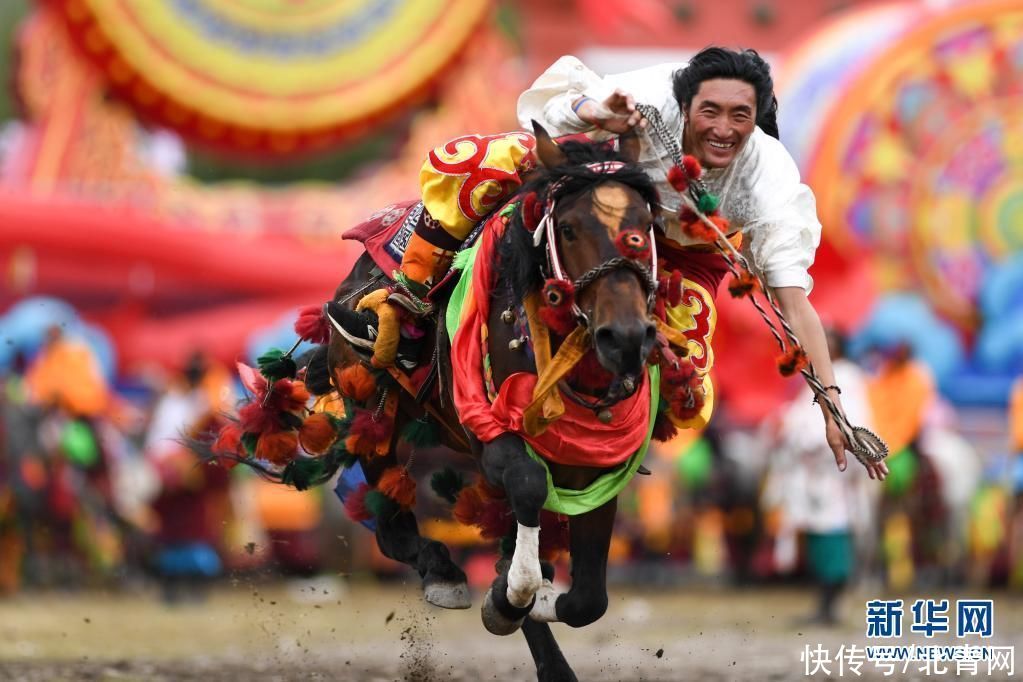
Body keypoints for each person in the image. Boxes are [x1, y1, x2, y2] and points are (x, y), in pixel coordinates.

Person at [331, 47, 887, 479]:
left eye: (740, 116)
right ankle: (410, 290)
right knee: (485, 160)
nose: (723, 128)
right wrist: (602, 115)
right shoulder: (647, 98)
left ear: (757, 118)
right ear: (685, 104)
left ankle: (609, 442)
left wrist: (832, 405)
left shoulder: (770, 185)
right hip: (604, 197)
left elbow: (794, 305)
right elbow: (565, 107)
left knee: (688, 371)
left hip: (682, 250)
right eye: (709, 111)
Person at [763, 328, 878, 625]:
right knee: (817, 536)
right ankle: (824, 606)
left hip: (831, 472)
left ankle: (830, 606)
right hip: (810, 473)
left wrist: (807, 441)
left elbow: (852, 423)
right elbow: (799, 420)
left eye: (827, 341)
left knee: (832, 536)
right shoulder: (816, 378)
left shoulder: (847, 378)